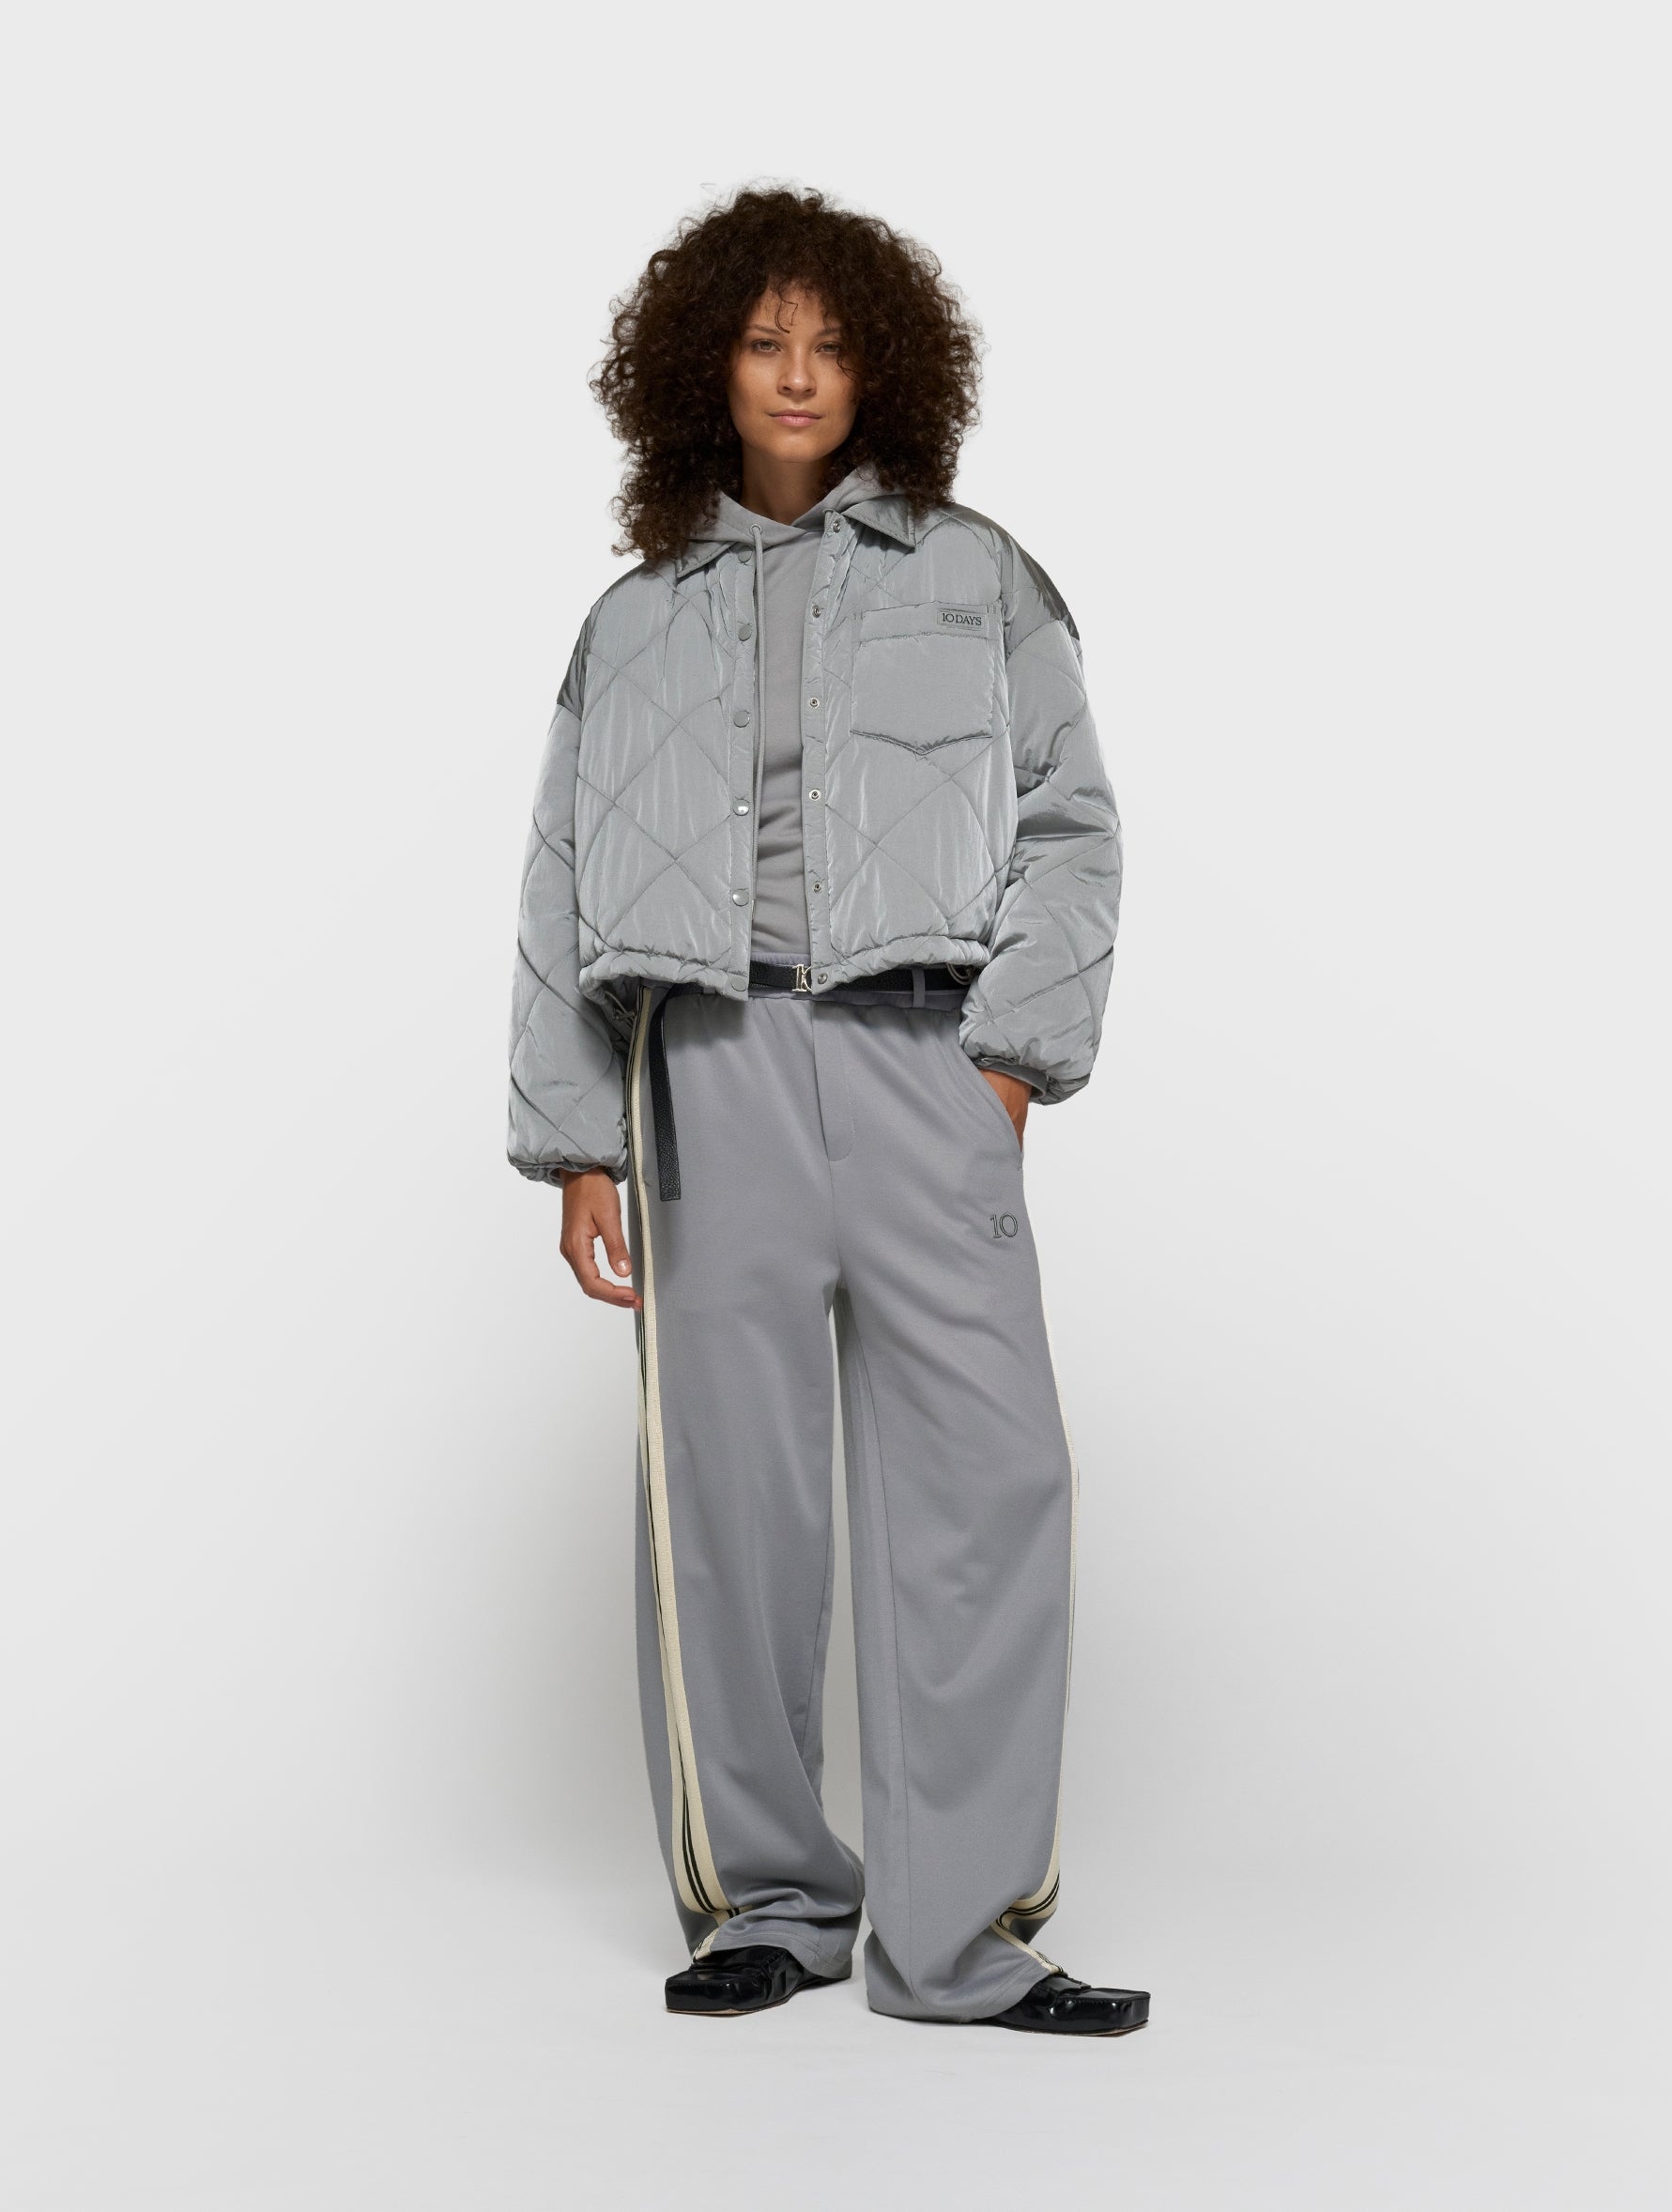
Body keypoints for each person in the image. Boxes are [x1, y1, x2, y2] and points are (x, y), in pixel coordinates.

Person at [508, 186, 1144, 2035]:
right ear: (704, 367)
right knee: (731, 1502)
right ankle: (771, 1902)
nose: (798, 374)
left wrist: (1010, 1061)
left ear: (885, 372)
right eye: (764, 340)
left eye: (834, 345)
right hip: (703, 1070)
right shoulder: (632, 618)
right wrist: (577, 1139)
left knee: (988, 1481)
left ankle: (962, 1940)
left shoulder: (978, 575)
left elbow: (1071, 827)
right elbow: (556, 879)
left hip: (923, 1052)